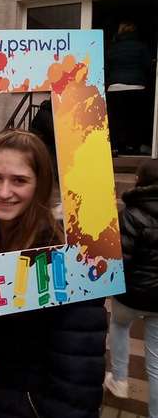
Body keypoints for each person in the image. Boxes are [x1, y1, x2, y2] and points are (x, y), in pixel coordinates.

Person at [0, 129, 106, 418]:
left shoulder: (66, 257)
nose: (3, 192)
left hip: (31, 407)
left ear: (39, 185)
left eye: (19, 180)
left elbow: (78, 370)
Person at [104, 158, 158, 418]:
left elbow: (121, 258)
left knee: (119, 325)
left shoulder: (129, 215)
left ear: (139, 181)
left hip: (131, 295)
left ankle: (119, 379)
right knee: (156, 361)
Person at [105, 20, 154, 155]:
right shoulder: (141, 47)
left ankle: (115, 147)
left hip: (115, 87)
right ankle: (133, 147)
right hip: (136, 86)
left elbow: (106, 68)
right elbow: (148, 66)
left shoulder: (112, 48)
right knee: (135, 119)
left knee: (116, 120)